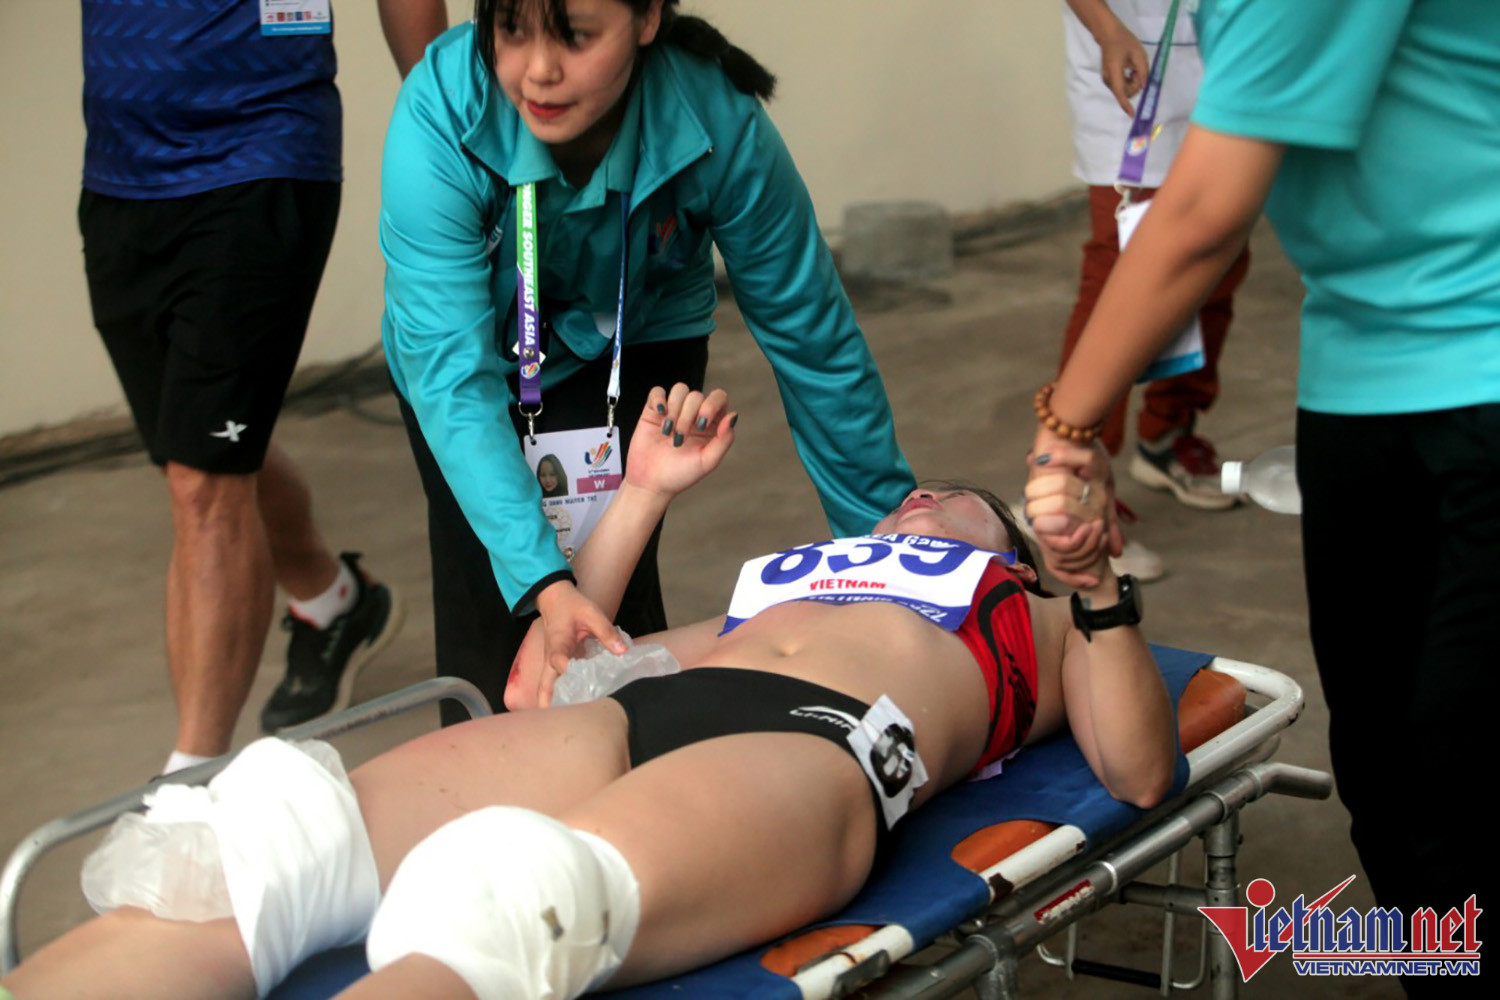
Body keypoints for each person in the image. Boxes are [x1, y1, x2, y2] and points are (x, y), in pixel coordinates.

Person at [0, 385, 1174, 1000]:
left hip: (815, 749)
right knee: (267, 850)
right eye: (909, 496)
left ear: (1014, 551)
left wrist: (1098, 587)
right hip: (638, 713)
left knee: (514, 910)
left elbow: (1135, 769)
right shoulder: (791, 581)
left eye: (956, 500)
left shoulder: (1038, 608)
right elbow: (562, 671)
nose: (919, 501)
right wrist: (644, 493)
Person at [1025, 3, 1497, 994]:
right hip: (1360, 366)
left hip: (1479, 362)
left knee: (1452, 785)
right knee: (1387, 773)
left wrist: (1069, 426)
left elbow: (1206, 212)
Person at [382, 0, 916, 722]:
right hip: (475, 370)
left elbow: (813, 341)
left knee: (615, 619)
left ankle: (634, 773)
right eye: (511, 31)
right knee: (497, 635)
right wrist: (543, 580)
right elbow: (450, 374)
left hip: (637, 335)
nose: (539, 70)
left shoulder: (715, 117)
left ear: (647, 17)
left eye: (575, 36)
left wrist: (897, 560)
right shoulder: (444, 109)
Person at [75, 0, 446, 770]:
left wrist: (446, 125)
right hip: (119, 170)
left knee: (204, 482)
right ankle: (335, 599)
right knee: (195, 450)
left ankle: (188, 787)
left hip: (261, 149)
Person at [1058, 0, 1249, 580]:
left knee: (1221, 257)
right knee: (1119, 278)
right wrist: (1106, 29)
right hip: (1129, 59)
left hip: (1229, 56)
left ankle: (1168, 432)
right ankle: (1068, 486)